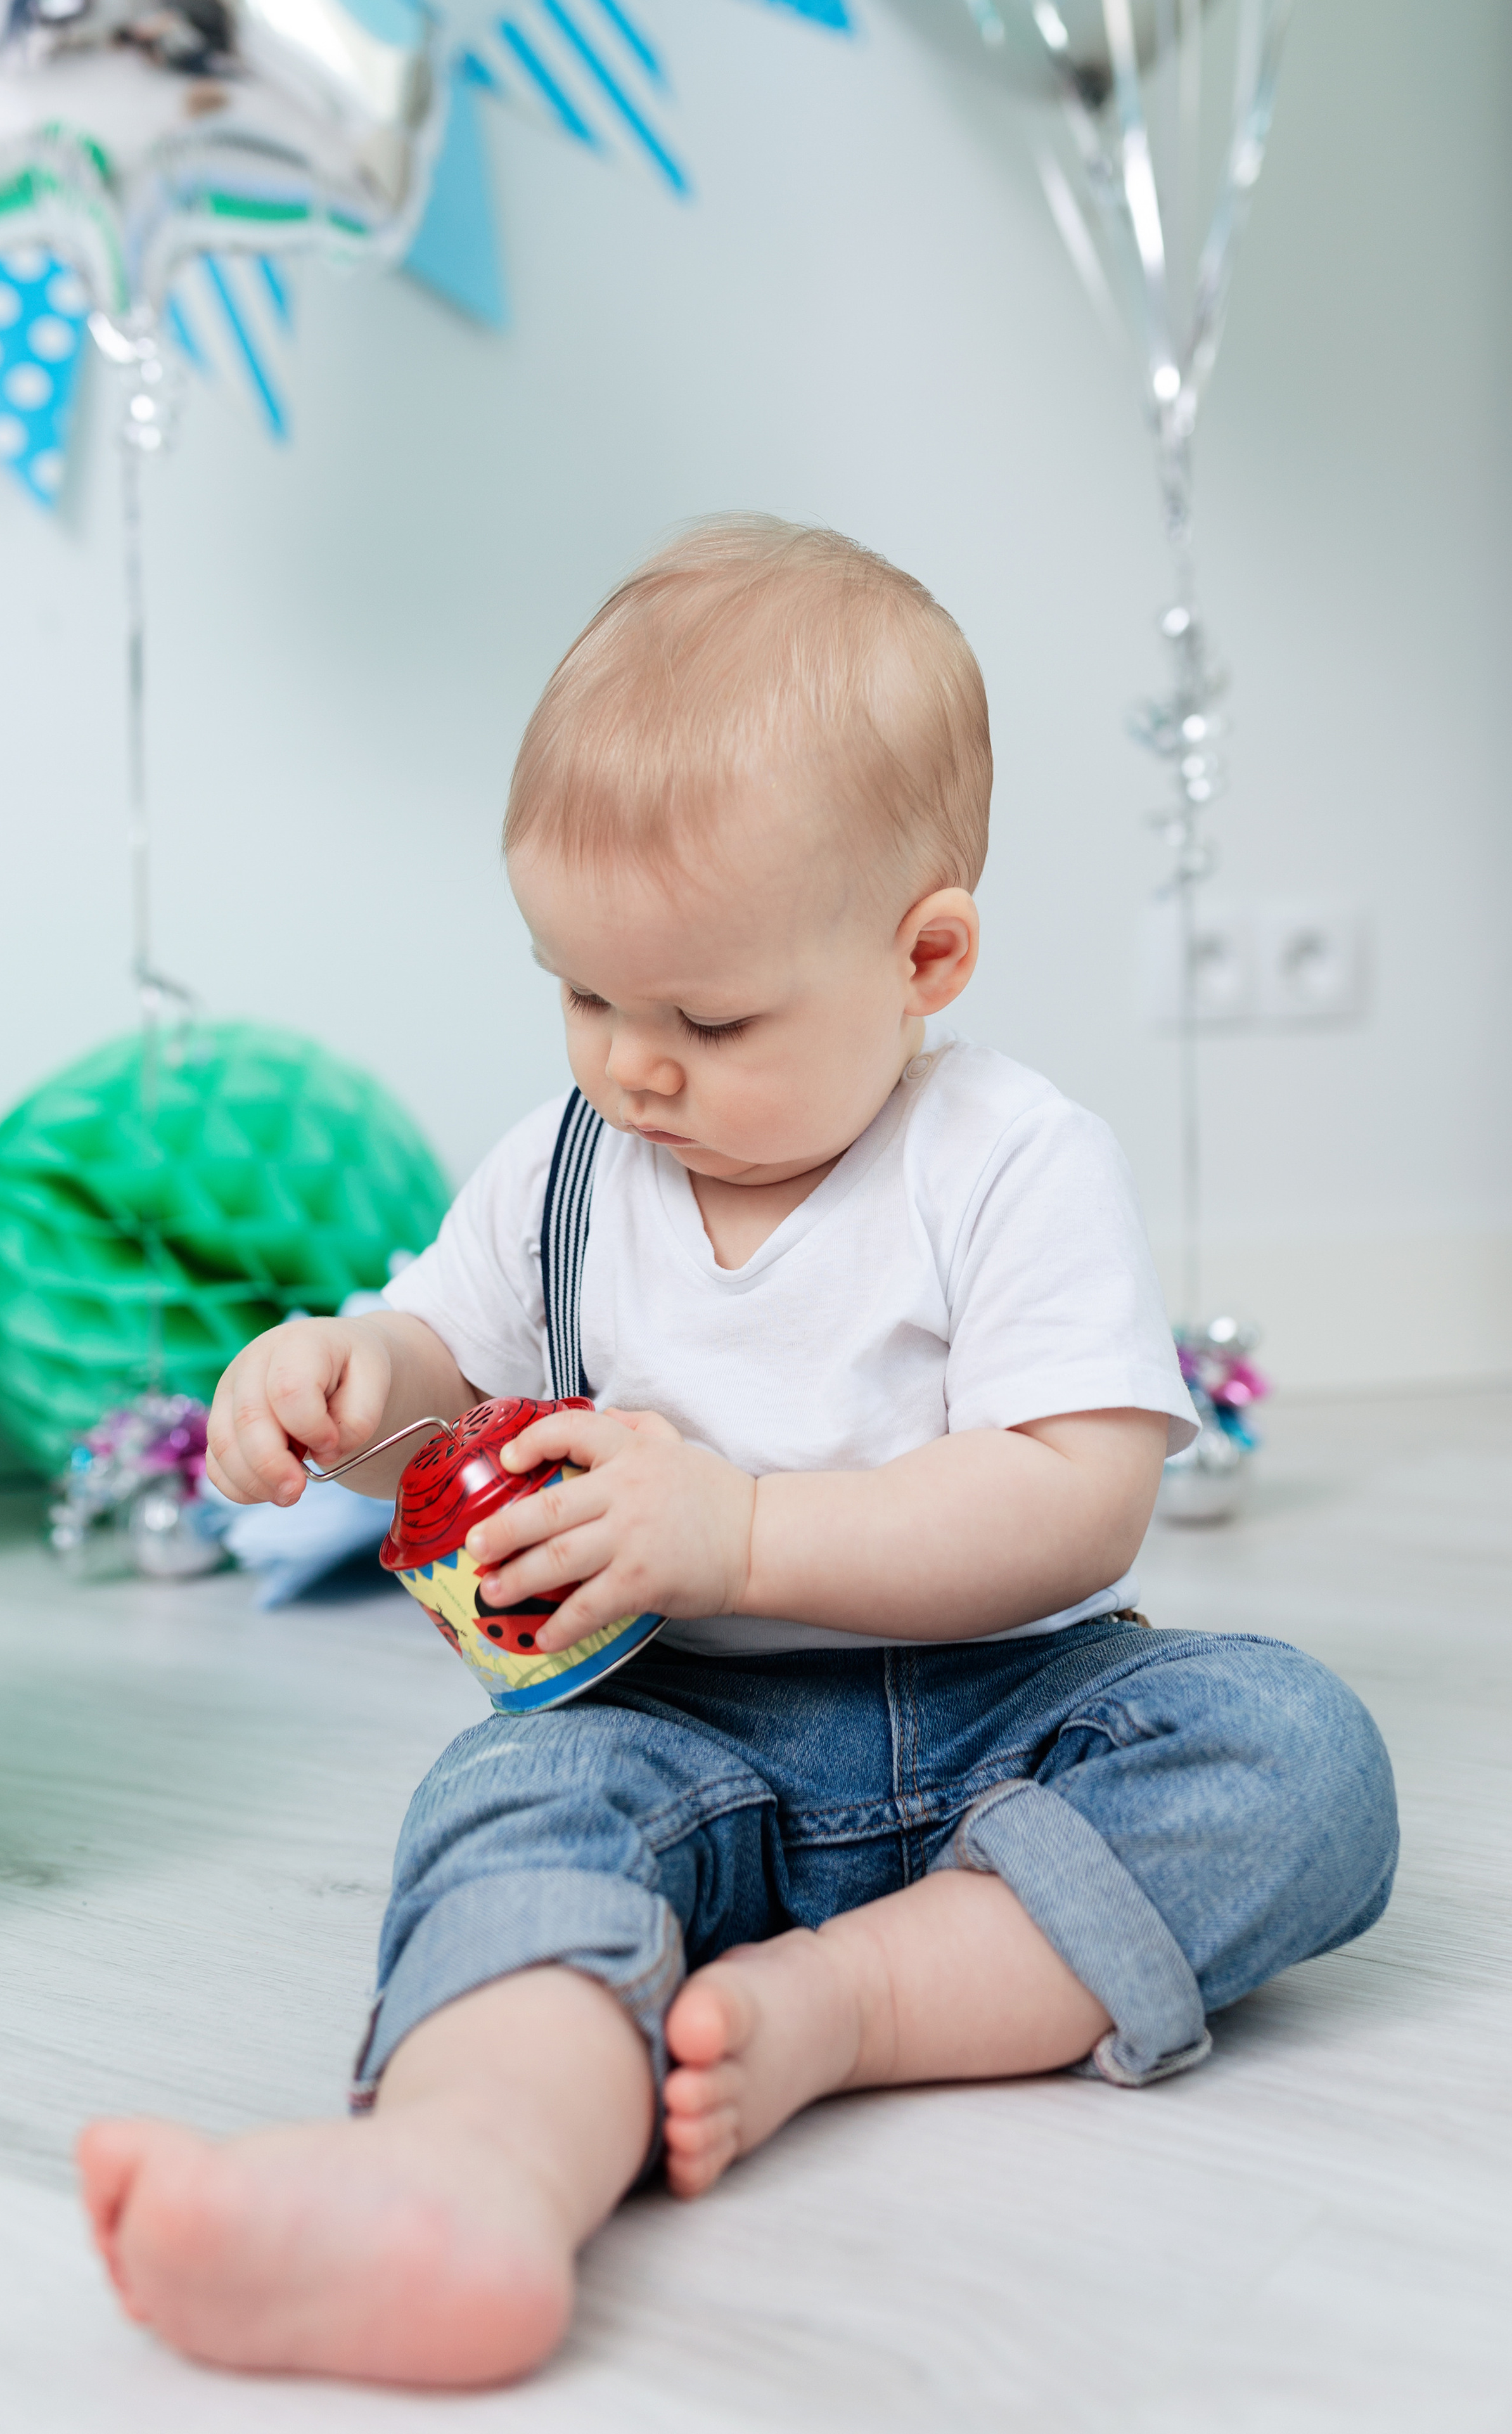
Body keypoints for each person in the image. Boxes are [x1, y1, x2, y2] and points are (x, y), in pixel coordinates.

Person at [78, 518, 1399, 2390]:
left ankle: (847, 2006)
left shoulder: (1013, 1162)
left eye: (705, 1014)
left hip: (1012, 1712)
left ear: (924, 953)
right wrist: (339, 1384)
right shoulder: (566, 1165)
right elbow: (445, 1379)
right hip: (672, 1733)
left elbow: (1074, 1497)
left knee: (1296, 1757)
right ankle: (467, 2184)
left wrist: (744, 1530)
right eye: (582, 993)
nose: (632, 1065)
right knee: (504, 1807)